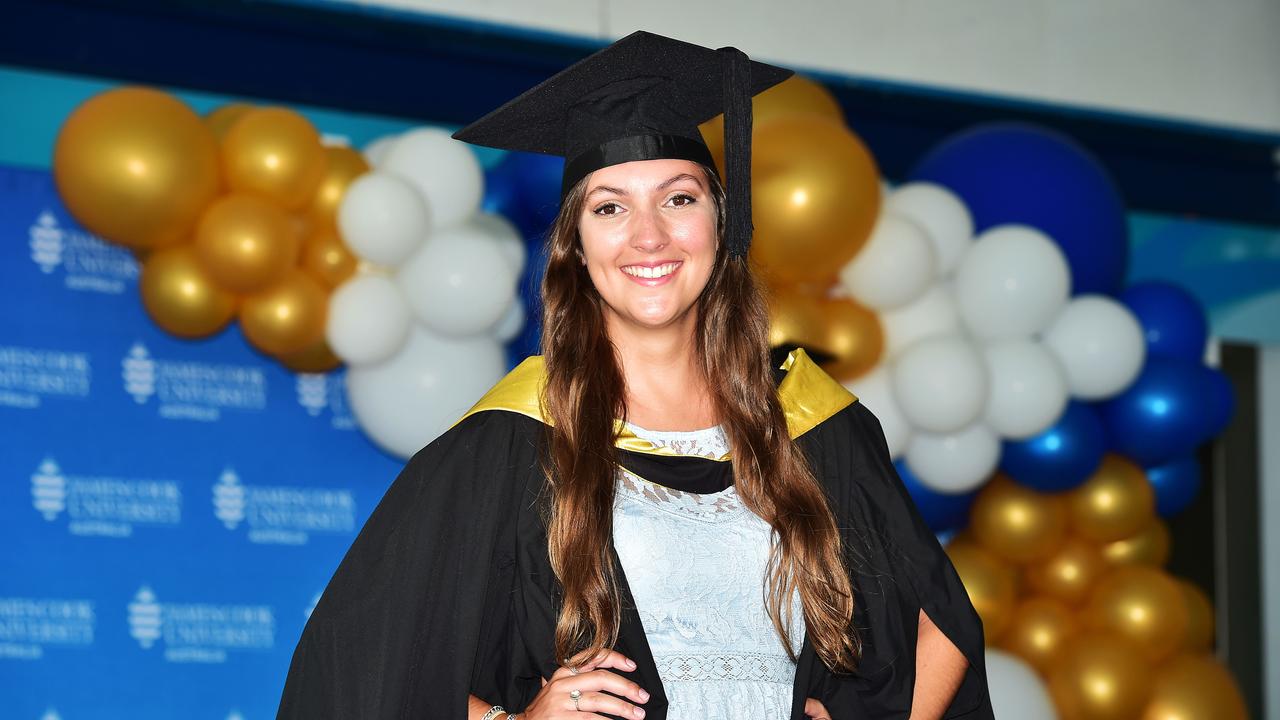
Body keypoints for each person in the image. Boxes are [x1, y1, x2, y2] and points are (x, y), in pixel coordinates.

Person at [277, 31, 991, 720]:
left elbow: (944, 625)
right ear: (577, 247)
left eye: (679, 198)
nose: (649, 236)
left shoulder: (810, 423)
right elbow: (358, 665)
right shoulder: (515, 439)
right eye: (610, 207)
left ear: (722, 221)